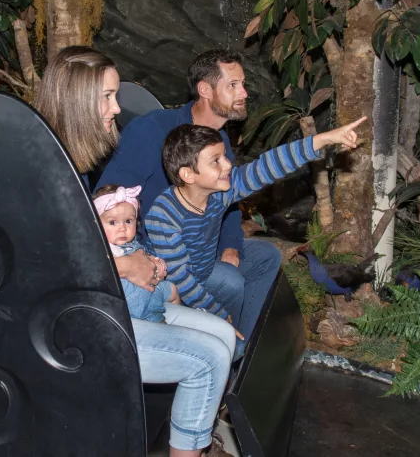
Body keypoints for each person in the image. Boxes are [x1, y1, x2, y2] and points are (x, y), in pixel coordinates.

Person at [35, 45, 236, 457]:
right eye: (107, 97)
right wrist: (126, 265)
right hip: (75, 317)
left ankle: (192, 433)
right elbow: (50, 258)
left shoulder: (76, 165)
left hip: (112, 297)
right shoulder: (44, 167)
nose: (116, 108)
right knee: (209, 356)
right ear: (75, 101)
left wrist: (144, 266)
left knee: (219, 332)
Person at [97, 49, 280, 348]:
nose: (244, 93)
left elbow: (228, 199)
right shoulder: (152, 130)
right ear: (205, 90)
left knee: (266, 256)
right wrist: (133, 258)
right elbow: (107, 200)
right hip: (160, 252)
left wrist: (231, 246)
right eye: (233, 85)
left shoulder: (219, 141)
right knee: (230, 281)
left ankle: (243, 350)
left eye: (243, 84)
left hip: (201, 243)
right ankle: (226, 348)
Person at [146, 120, 366, 325]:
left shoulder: (219, 193)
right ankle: (231, 335)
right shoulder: (163, 216)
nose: (227, 165)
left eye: (225, 156)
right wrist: (219, 314)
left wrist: (324, 139)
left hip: (204, 269)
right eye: (216, 161)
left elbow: (267, 166)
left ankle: (246, 334)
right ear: (188, 175)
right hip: (175, 291)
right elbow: (182, 280)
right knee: (232, 282)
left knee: (267, 255)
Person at [94, 184, 179, 323]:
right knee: (160, 322)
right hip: (136, 307)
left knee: (172, 289)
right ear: (96, 224)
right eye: (113, 222)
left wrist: (157, 265)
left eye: (128, 221)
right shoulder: (102, 249)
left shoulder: (133, 243)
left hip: (150, 291)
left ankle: (182, 316)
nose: (122, 228)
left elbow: (145, 258)